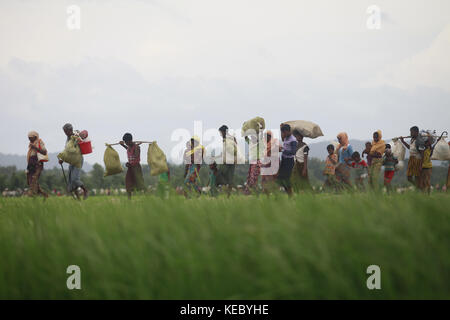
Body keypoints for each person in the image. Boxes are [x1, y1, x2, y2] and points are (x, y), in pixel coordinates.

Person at [59, 123, 88, 199]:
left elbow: (84, 136)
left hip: (78, 160)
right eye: (64, 131)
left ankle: (85, 190)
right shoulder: (68, 138)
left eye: (66, 131)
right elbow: (67, 150)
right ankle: (78, 199)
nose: (65, 133)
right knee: (71, 181)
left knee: (75, 179)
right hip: (72, 161)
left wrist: (80, 138)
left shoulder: (76, 135)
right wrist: (62, 159)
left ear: (70, 130)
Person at [120, 133, 145, 199]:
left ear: (130, 141)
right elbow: (128, 149)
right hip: (130, 168)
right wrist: (122, 145)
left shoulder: (136, 147)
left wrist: (136, 145)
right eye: (125, 142)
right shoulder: (129, 147)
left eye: (126, 142)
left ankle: (147, 196)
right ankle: (129, 200)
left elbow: (136, 156)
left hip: (136, 168)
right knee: (128, 183)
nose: (126, 143)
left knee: (140, 184)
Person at [216, 125, 238, 197]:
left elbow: (235, 150)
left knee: (229, 178)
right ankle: (227, 187)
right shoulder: (225, 139)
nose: (220, 134)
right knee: (219, 174)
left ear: (224, 132)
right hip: (225, 161)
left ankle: (229, 194)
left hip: (231, 162)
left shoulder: (231, 139)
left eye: (221, 132)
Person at [26, 131, 48, 198]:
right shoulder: (31, 144)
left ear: (35, 137)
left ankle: (31, 195)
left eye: (31, 138)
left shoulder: (39, 142)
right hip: (31, 164)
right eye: (29, 138)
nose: (29, 139)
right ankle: (44, 195)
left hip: (38, 164)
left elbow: (44, 152)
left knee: (34, 179)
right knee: (30, 181)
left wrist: (35, 147)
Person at [277, 124, 297, 196]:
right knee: (280, 179)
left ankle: (291, 195)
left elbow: (293, 152)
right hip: (284, 160)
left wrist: (283, 150)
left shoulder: (293, 140)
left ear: (288, 131)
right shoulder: (285, 138)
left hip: (289, 161)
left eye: (284, 132)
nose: (283, 134)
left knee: (286, 179)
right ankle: (289, 194)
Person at [260, 130, 280, 194]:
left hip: (274, 163)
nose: (266, 138)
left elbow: (280, 148)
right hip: (266, 163)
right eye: (265, 136)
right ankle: (267, 195)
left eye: (267, 136)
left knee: (273, 180)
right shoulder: (263, 144)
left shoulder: (275, 142)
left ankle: (276, 194)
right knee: (265, 180)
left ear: (270, 136)